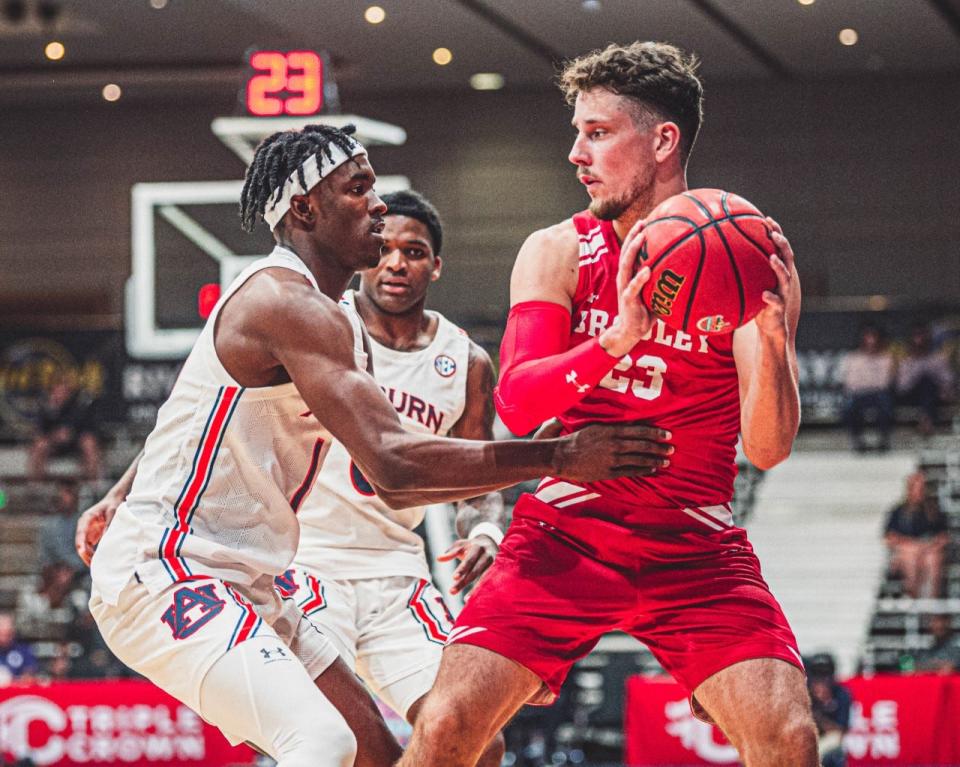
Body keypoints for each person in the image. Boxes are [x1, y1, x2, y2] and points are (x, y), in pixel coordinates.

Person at [84, 124, 669, 767]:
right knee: (321, 741)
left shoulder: (343, 324)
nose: (381, 208)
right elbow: (394, 465)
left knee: (384, 755)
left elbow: (194, 412)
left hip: (259, 575)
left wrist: (116, 492)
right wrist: (557, 456)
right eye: (359, 189)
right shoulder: (284, 300)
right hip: (169, 568)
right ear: (305, 208)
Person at [399, 42, 817, 767]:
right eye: (576, 132)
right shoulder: (557, 250)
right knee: (445, 727)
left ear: (661, 141)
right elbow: (521, 403)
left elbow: (770, 447)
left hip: (695, 545)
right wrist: (617, 339)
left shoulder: (746, 260)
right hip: (566, 530)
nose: (574, 153)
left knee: (790, 739)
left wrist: (774, 336)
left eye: (596, 132)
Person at [78, 189, 507, 765]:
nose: (398, 263)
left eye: (416, 251)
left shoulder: (466, 360)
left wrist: (485, 532)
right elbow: (201, 411)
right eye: (389, 248)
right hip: (306, 565)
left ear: (437, 265)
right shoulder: (307, 312)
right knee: (324, 741)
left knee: (476, 738)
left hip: (395, 572)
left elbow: (478, 480)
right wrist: (120, 492)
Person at [884, 470, 949, 598]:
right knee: (910, 555)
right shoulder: (898, 511)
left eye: (921, 487)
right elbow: (889, 537)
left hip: (928, 551)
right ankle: (914, 597)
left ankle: (931, 602)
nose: (919, 491)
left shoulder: (933, 511)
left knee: (933, 559)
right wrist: (912, 545)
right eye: (916, 487)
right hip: (906, 552)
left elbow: (944, 537)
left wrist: (928, 546)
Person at [28, 378, 102, 481]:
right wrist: (54, 435)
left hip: (75, 443)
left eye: (62, 392)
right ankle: (37, 484)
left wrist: (72, 434)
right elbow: (40, 431)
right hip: (54, 443)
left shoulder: (78, 408)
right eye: (57, 392)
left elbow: (88, 429)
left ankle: (92, 484)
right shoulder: (47, 408)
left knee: (89, 443)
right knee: (40, 445)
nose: (59, 395)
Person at [841, 324, 895, 452]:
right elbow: (850, 383)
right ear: (862, 340)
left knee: (886, 403)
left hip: (879, 395)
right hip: (858, 395)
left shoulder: (886, 358)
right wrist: (870, 381)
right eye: (867, 338)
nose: (871, 342)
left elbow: (884, 382)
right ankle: (857, 439)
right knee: (849, 406)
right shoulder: (852, 358)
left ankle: (884, 439)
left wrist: (865, 381)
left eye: (874, 338)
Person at [895, 322, 954, 436]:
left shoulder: (938, 359)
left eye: (922, 336)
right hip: (911, 396)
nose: (919, 340)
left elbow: (948, 381)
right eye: (916, 336)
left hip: (935, 395)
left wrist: (935, 377)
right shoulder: (907, 362)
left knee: (928, 382)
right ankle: (927, 420)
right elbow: (902, 387)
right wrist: (917, 372)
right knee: (924, 380)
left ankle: (926, 419)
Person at [806, 653, 851, 767]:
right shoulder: (804, 693)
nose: (822, 680)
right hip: (807, 738)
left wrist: (825, 703)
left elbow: (841, 730)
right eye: (817, 675)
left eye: (825, 675)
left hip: (828, 741)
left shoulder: (842, 694)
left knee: (835, 742)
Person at [0, 611, 38, 686]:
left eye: (8, 634)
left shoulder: (23, 650)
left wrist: (12, 681)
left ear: (13, 632)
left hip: (16, 694)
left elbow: (30, 674)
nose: (4, 638)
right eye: (1, 634)